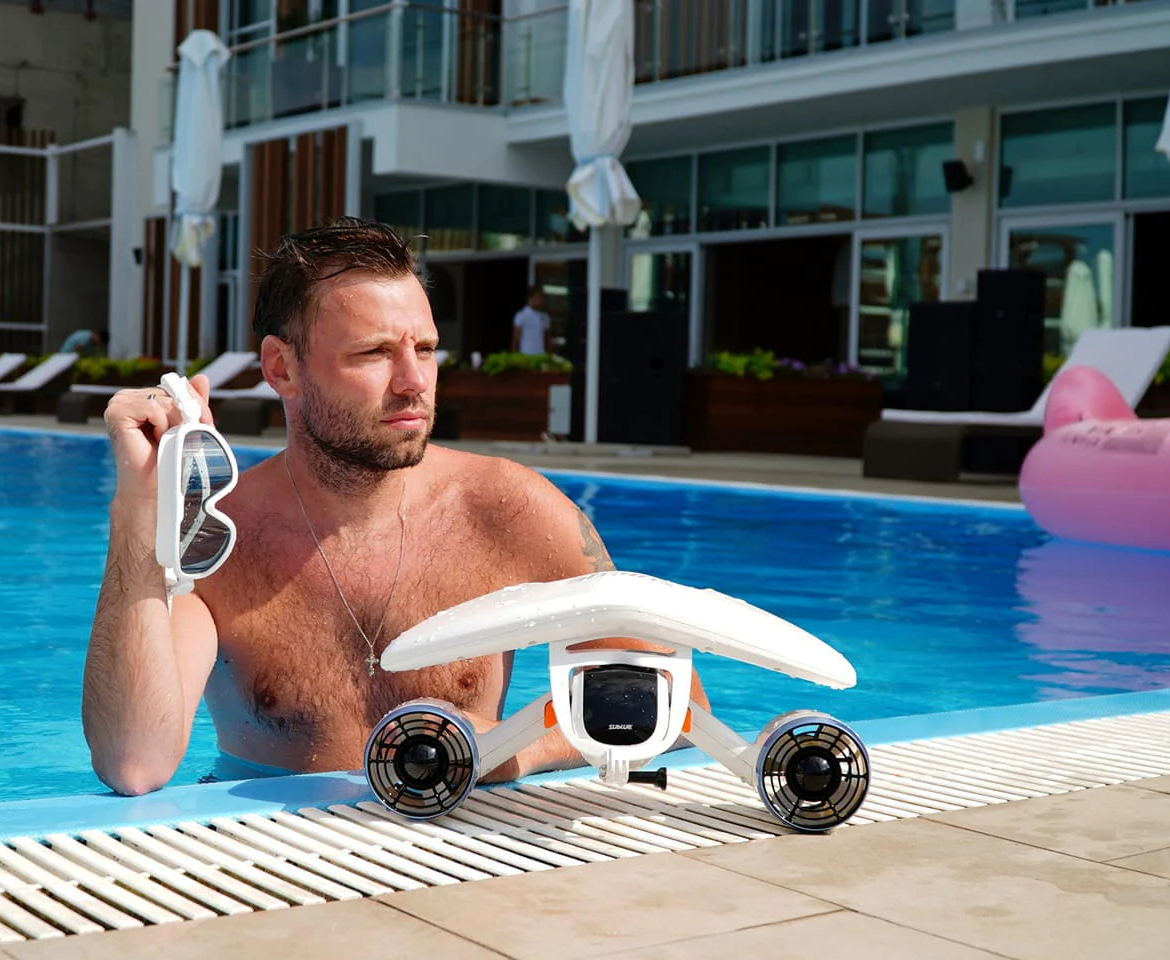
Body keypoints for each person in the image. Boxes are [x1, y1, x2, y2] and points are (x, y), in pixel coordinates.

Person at [82, 218, 705, 795]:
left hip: (453, 848)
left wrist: (515, 747)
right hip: (270, 856)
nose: (414, 381)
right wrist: (138, 510)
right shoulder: (221, 536)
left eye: (426, 349)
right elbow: (136, 764)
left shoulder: (507, 509)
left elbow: (679, 705)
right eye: (375, 353)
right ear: (283, 367)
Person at [510, 285, 551, 356]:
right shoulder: (521, 315)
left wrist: (549, 355)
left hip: (541, 356)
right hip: (525, 356)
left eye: (542, 298)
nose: (540, 300)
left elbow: (547, 339)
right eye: (538, 297)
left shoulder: (545, 317)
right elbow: (515, 339)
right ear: (530, 298)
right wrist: (514, 356)